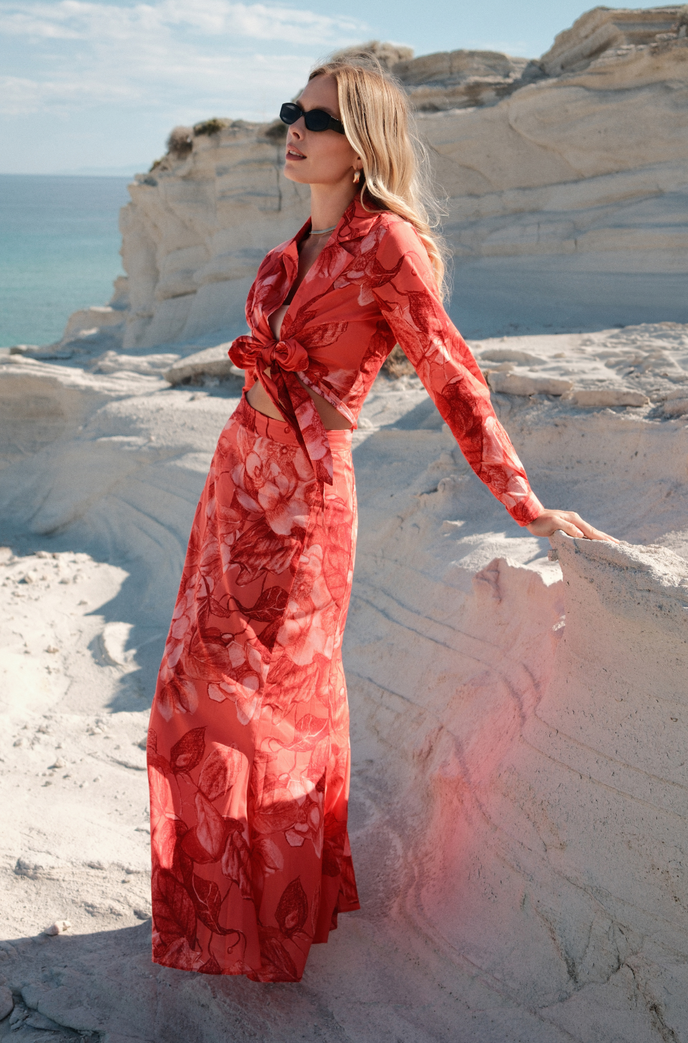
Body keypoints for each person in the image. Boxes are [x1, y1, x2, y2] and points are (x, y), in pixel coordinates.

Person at [146, 56, 614, 984]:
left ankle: (272, 921)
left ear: (360, 145)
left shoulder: (391, 247)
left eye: (314, 119)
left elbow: (452, 377)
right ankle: (215, 913)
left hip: (306, 507)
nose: (292, 128)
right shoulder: (294, 246)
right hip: (237, 481)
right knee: (183, 707)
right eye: (290, 111)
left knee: (269, 718)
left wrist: (525, 501)